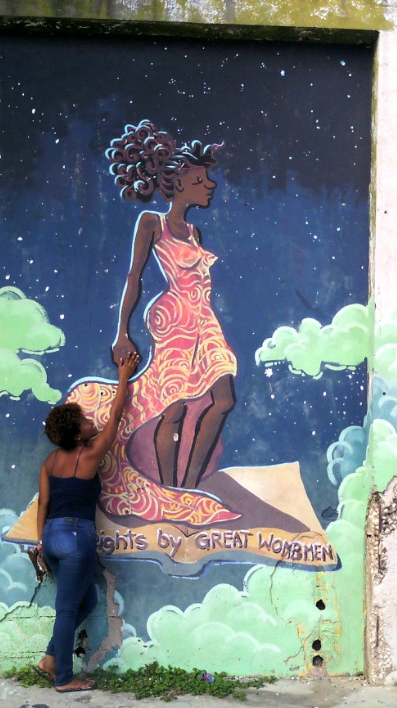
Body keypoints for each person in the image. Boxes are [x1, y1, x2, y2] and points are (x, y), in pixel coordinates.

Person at [108, 119, 237, 492]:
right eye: (199, 181)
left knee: (223, 399)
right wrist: (122, 333)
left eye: (207, 180)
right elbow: (135, 277)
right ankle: (170, 490)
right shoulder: (153, 223)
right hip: (175, 318)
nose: (209, 186)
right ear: (177, 184)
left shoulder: (195, 233)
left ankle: (190, 484)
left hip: (204, 319)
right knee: (175, 407)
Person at [34, 351, 139, 692]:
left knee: (87, 602)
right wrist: (124, 374)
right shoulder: (90, 454)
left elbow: (44, 504)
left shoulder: (51, 461)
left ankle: (51, 658)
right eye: (83, 420)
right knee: (66, 610)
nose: (90, 420)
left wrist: (39, 542)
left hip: (51, 537)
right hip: (77, 538)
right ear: (77, 435)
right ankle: (63, 677)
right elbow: (116, 416)